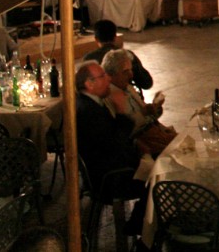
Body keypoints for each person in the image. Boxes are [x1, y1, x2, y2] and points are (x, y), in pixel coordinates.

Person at [75, 61, 148, 237]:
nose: (108, 78)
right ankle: (138, 227)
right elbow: (116, 142)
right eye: (102, 76)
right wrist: (121, 111)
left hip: (108, 167)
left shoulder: (90, 103)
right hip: (111, 178)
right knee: (159, 181)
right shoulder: (89, 112)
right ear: (89, 84)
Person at [102, 49, 175, 157]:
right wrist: (145, 114)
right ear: (112, 75)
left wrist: (154, 108)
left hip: (155, 131)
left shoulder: (127, 86)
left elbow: (145, 112)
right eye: (125, 72)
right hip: (144, 139)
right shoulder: (110, 96)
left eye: (131, 70)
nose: (131, 75)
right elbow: (126, 128)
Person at [83, 19, 153, 90]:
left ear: (96, 39)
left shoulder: (89, 59)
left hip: (100, 99)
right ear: (115, 37)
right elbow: (147, 83)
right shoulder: (127, 55)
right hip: (125, 97)